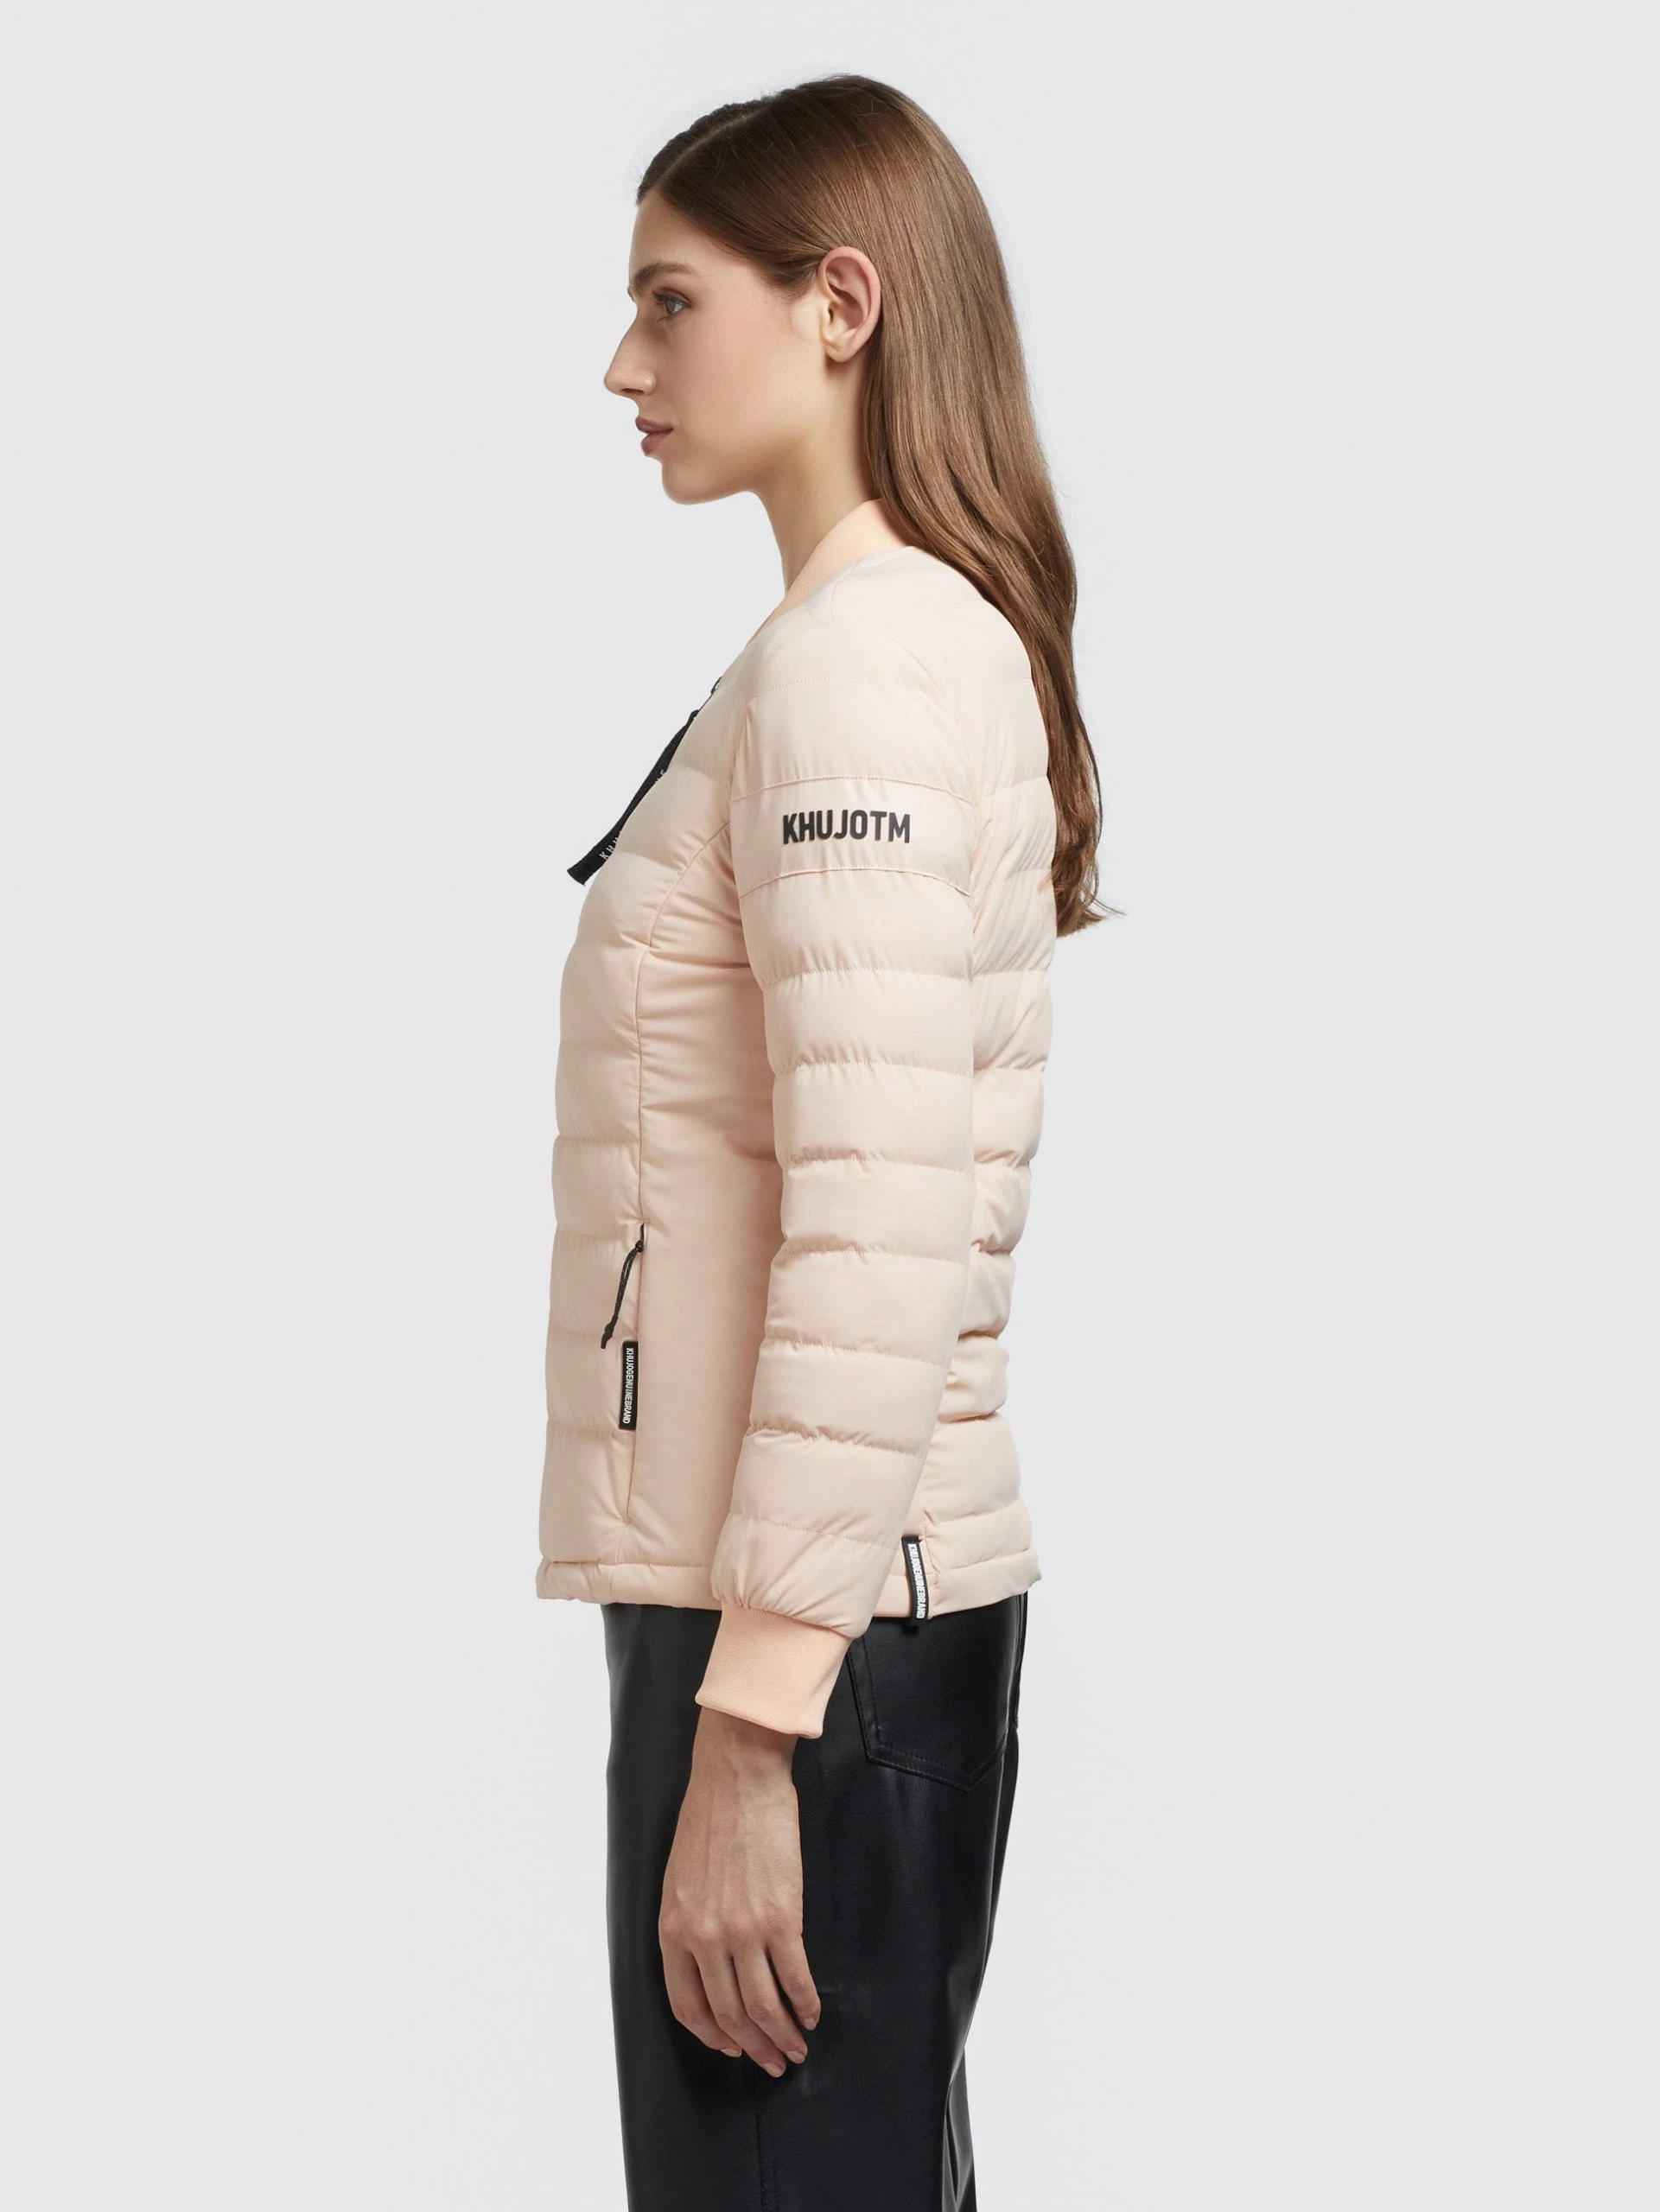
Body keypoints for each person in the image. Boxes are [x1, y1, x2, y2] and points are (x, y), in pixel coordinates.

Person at [536, 73, 1106, 2210]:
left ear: (839, 304)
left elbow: (880, 1234)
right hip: (825, 1613)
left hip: (809, 1637)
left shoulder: (861, 668)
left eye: (671, 302)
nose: (626, 365)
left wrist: (751, 1725)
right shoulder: (867, 645)